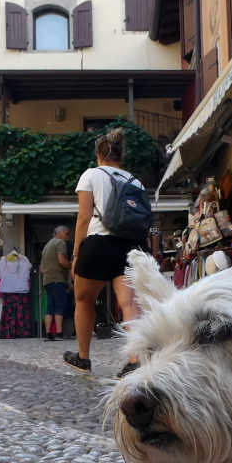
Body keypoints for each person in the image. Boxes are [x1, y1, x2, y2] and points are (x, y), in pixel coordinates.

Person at [66, 127, 148, 376]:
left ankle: (83, 358)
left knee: (84, 300)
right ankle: (135, 360)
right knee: (130, 304)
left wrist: (77, 253)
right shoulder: (135, 180)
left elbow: (84, 217)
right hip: (131, 245)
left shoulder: (91, 174)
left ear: (98, 154)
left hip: (99, 244)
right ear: (120, 155)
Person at [40, 225, 73, 341]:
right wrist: (71, 266)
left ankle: (48, 332)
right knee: (60, 305)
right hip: (58, 279)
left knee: (50, 307)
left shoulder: (46, 245)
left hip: (47, 281)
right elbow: (61, 260)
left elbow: (41, 268)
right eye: (67, 233)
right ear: (60, 232)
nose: (68, 236)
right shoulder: (60, 243)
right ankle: (59, 332)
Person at [0, 249, 35, 339]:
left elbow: (0, 277)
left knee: (9, 313)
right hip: (22, 291)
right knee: (21, 312)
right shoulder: (24, 260)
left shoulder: (3, 261)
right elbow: (28, 276)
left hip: (7, 291)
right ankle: (22, 332)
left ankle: (8, 333)